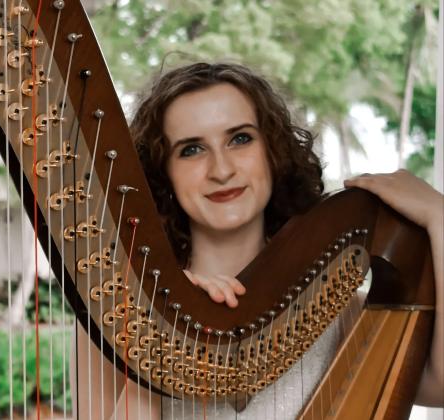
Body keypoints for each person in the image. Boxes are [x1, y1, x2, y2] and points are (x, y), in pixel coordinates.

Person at [73, 62, 443, 419]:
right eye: (191, 149)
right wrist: (152, 332)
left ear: (273, 154)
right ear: (163, 174)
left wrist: (439, 216)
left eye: (240, 138)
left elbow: (439, 386)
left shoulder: (345, 315)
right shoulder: (115, 318)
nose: (222, 169)